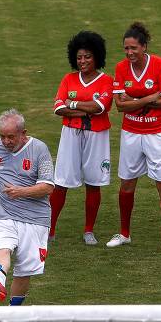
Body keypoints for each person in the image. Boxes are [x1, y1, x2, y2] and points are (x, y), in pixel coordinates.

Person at [0, 109, 54, 322]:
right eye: (2, 136)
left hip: (36, 220)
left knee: (25, 271)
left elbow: (48, 187)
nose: (6, 141)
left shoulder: (39, 150)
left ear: (23, 133)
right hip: (5, 216)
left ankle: (10, 315)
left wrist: (21, 191)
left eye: (11, 137)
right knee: (3, 247)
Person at [105, 22, 161, 256]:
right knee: (127, 182)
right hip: (131, 132)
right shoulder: (121, 68)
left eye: (133, 48)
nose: (129, 53)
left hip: (159, 133)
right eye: (126, 49)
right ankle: (124, 234)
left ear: (144, 47)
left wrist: (133, 100)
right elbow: (120, 106)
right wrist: (149, 97)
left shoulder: (159, 65)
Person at [49, 31, 113, 245]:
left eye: (87, 56)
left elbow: (100, 107)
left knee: (94, 182)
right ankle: (50, 229)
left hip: (97, 135)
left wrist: (73, 104)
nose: (83, 61)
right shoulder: (68, 79)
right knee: (61, 182)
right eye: (79, 57)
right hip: (70, 134)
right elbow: (58, 108)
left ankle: (88, 230)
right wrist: (86, 111)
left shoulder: (106, 81)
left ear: (97, 57)